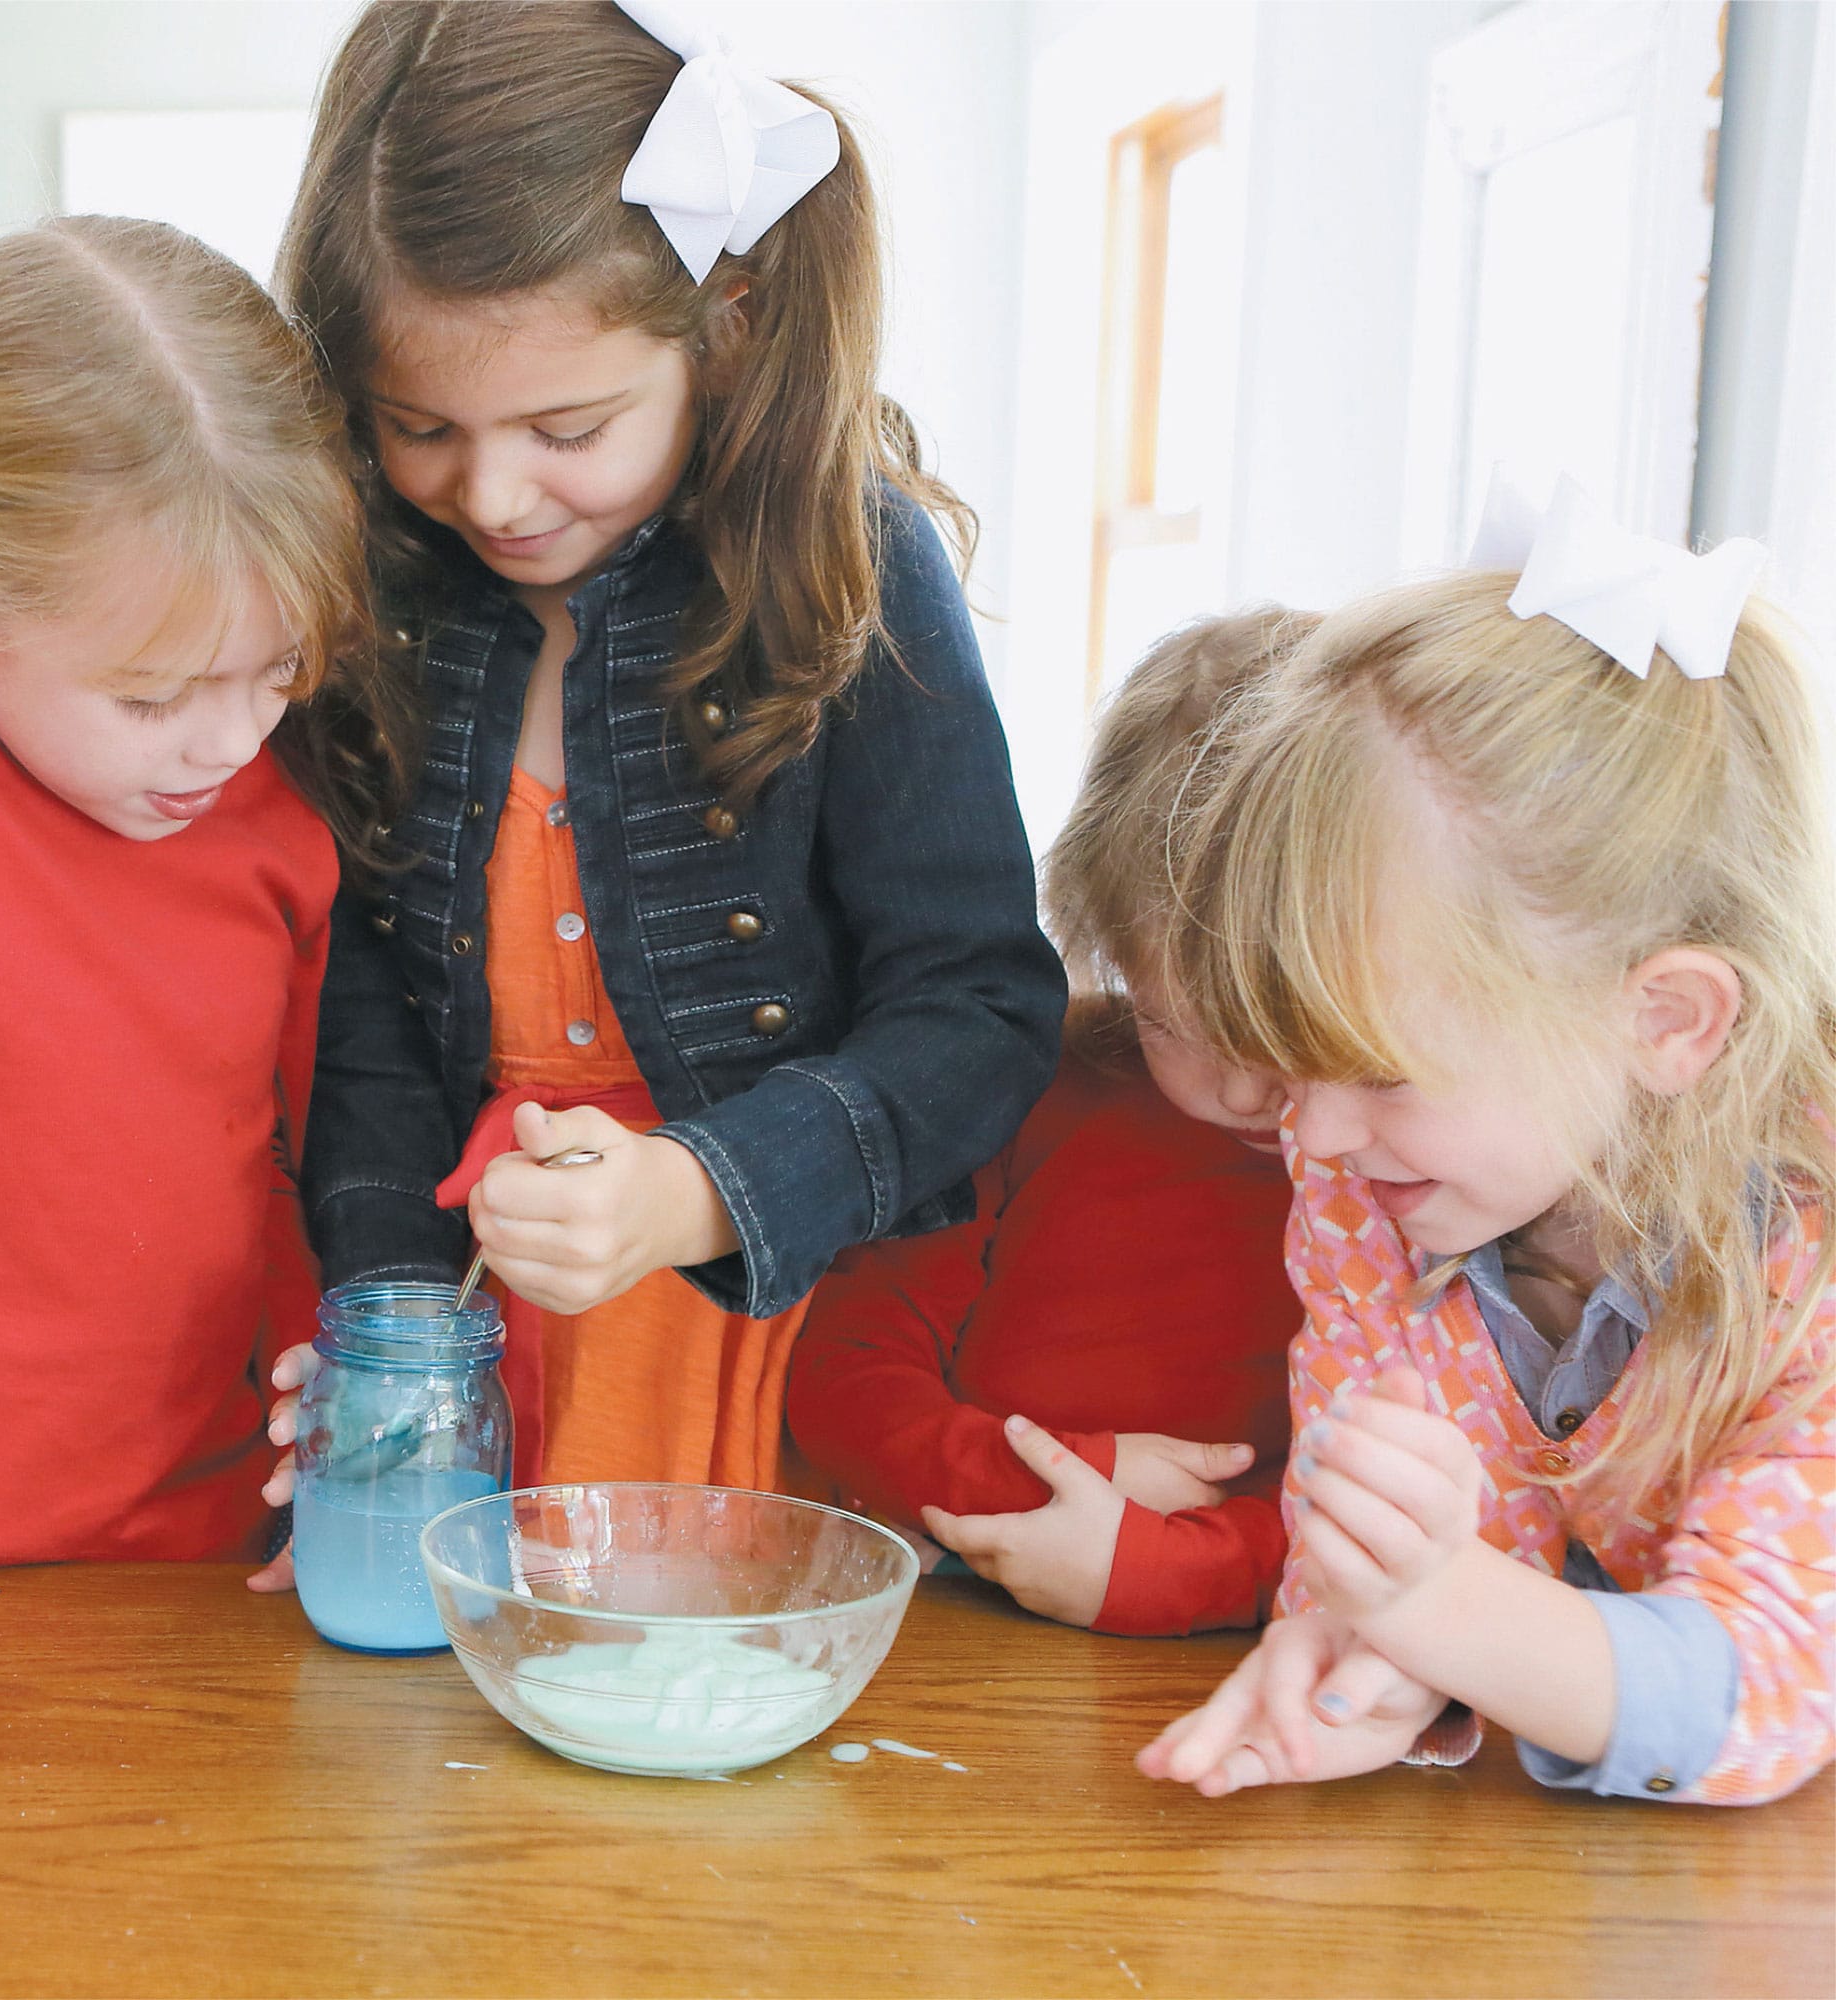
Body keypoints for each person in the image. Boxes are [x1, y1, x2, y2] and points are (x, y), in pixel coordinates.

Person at [260, 0, 1066, 1505]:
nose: (492, 494)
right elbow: (361, 1018)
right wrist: (383, 1316)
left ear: (729, 323)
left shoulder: (855, 565)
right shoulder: (380, 592)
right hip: (478, 1336)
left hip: (778, 1331)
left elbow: (981, 1010)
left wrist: (699, 1191)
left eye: (568, 427)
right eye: (418, 426)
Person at [1137, 493, 1835, 1805]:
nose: (1316, 1131)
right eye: (1299, 1063)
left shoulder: (1812, 1246)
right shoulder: (1375, 1175)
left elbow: (1765, 1686)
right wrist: (1368, 1666)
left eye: (1383, 1074)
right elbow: (1395, 1537)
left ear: (1666, 1021)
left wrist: (1438, 1609)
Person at [0, 217, 407, 1568]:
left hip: (201, 1543)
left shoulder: (260, 794)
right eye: (152, 697)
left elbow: (288, 1163)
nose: (227, 744)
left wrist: (322, 1465)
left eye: (276, 674)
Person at [786, 612, 1314, 1634]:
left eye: (1285, 1030)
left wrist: (1164, 1565)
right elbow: (846, 1374)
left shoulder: (1398, 1163)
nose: (1246, 1092)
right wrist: (1055, 1481)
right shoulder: (1034, 1080)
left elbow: (1409, 1507)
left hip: (1231, 1650)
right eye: (1176, 1024)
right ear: (1113, 942)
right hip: (940, 1611)